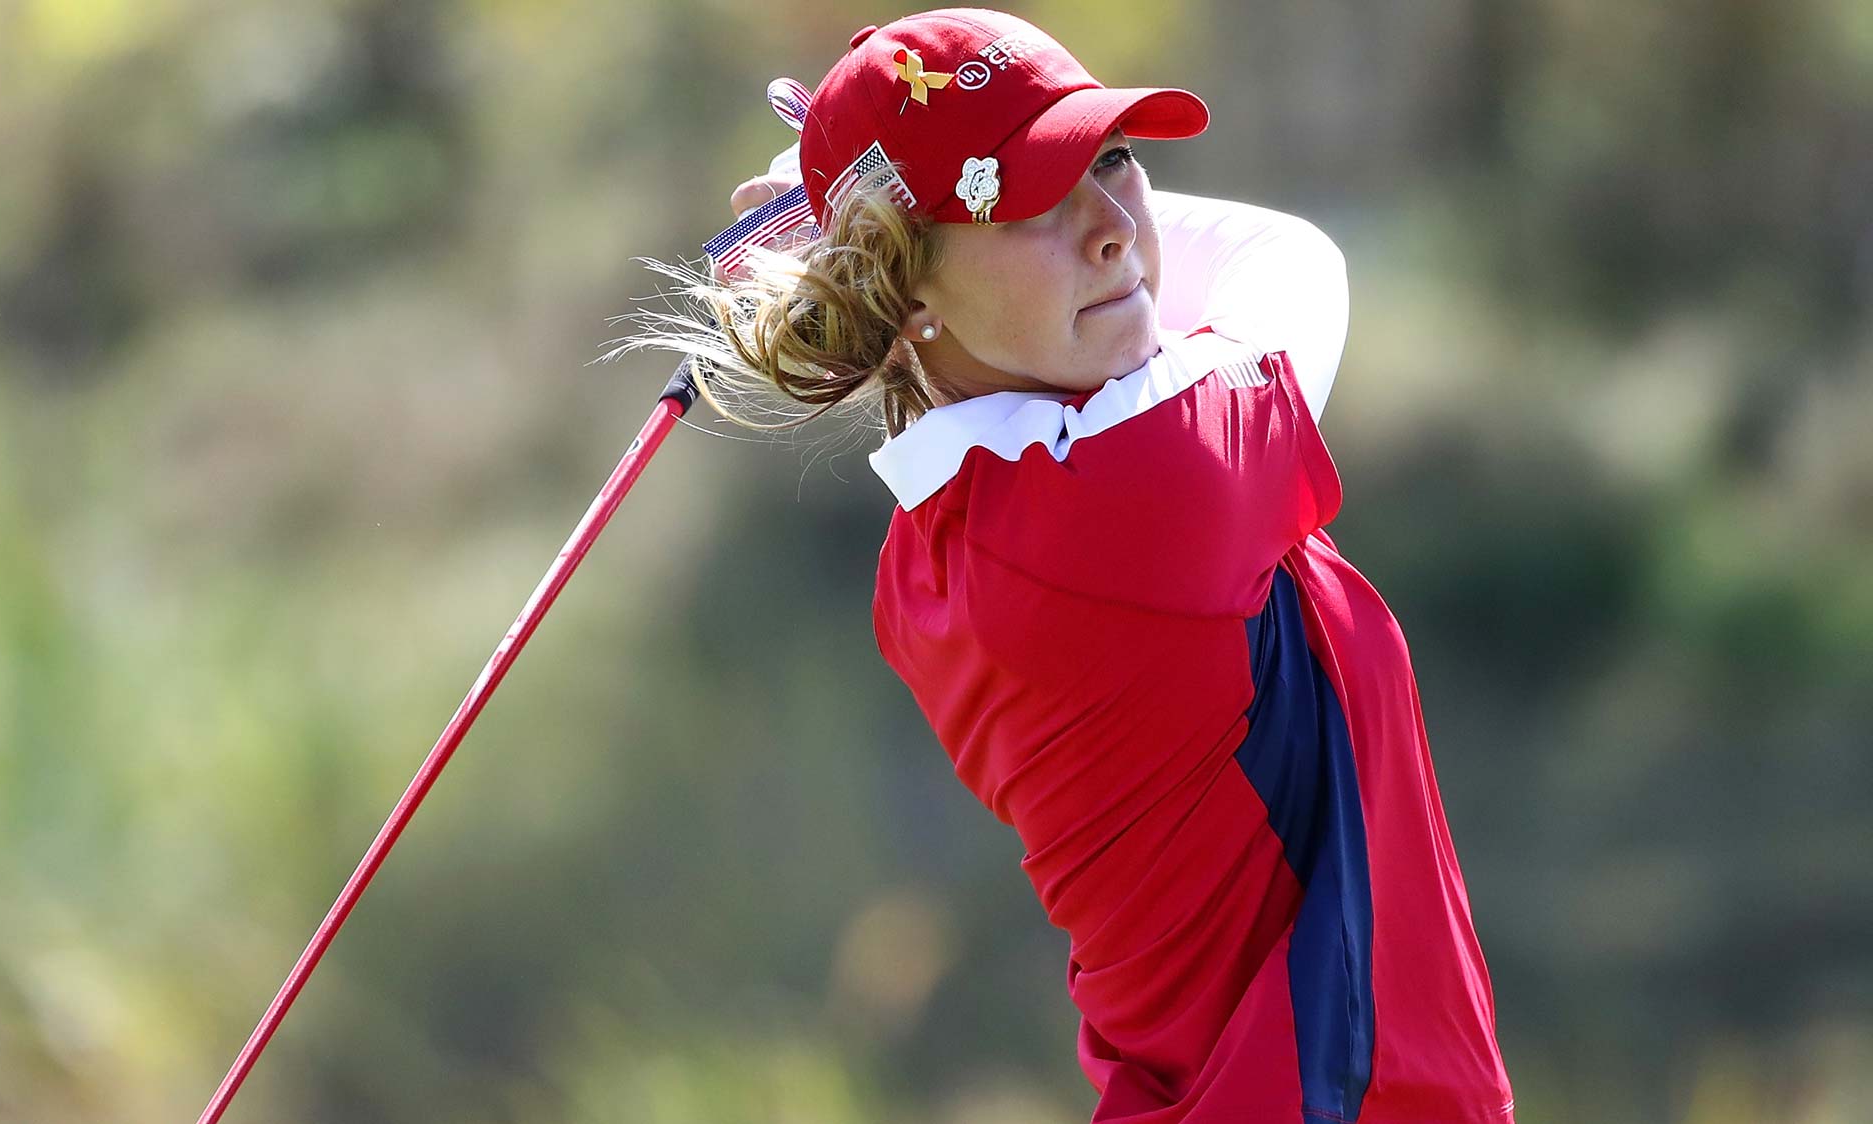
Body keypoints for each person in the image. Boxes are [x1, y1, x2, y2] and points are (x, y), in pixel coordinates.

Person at [624, 8, 1517, 1122]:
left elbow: (1104, 300)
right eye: (1027, 198)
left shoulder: (928, 560)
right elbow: (1287, 260)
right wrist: (845, 228)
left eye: (1112, 159)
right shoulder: (1146, 492)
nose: (1108, 226)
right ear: (903, 296)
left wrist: (857, 232)